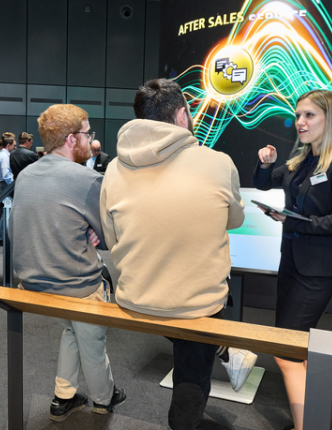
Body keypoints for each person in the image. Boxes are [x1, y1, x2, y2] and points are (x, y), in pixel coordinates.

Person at [99, 79, 251, 430]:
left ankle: (220, 347)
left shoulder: (114, 168)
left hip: (134, 297)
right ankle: (184, 418)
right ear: (182, 116)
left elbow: (109, 236)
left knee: (183, 315)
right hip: (197, 306)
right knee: (196, 338)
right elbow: (235, 220)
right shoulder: (218, 162)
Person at [10, 104, 125, 422]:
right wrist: (94, 231)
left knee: (72, 331)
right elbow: (110, 237)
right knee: (92, 339)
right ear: (72, 139)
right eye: (87, 134)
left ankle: (64, 397)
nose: (90, 139)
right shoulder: (88, 179)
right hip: (77, 287)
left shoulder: (26, 175)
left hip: (33, 285)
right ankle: (104, 398)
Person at [253, 89, 332, 430]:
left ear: (330, 119)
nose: (300, 122)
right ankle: (312, 418)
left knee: (285, 351)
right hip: (291, 264)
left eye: (309, 115)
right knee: (294, 347)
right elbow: (262, 182)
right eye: (298, 115)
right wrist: (266, 163)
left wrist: (294, 221)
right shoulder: (301, 162)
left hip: (317, 272)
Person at [0, 134, 15, 246]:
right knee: (6, 211)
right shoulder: (6, 156)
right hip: (5, 185)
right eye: (14, 145)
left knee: (1, 212)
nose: (15, 147)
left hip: (1, 184)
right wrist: (14, 185)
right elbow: (6, 174)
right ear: (8, 145)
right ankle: (1, 237)